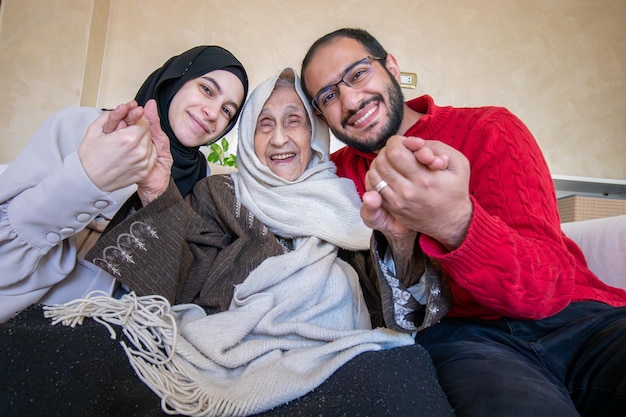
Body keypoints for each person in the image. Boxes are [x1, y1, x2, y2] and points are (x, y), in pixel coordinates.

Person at [35, 67, 455, 417]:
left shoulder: (351, 201)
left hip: (338, 354)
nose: (278, 140)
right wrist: (156, 193)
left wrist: (399, 241)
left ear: (315, 135)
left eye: (294, 121)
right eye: (263, 124)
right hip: (222, 349)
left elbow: (400, 313)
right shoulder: (219, 194)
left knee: (408, 377)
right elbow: (171, 289)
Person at [300, 27, 626, 417]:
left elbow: (546, 289)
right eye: (329, 96)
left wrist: (455, 221)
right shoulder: (331, 178)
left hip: (580, 317)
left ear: (391, 66)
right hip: (463, 340)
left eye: (357, 74)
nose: (350, 100)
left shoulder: (490, 129)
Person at [0, 45, 248, 323]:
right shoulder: (81, 126)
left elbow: (174, 280)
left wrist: (159, 198)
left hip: (116, 327)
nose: (213, 113)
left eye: (227, 110)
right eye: (207, 90)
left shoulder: (202, 178)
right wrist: (88, 178)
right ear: (176, 80)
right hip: (28, 308)